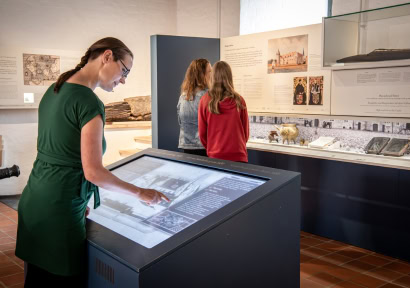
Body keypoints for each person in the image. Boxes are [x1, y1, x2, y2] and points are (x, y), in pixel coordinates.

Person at [15, 37, 169, 287]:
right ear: (107, 56)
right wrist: (141, 193)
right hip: (59, 209)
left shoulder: (55, 90)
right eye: (125, 70)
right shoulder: (88, 101)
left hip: (36, 201)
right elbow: (94, 173)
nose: (124, 80)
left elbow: (60, 154)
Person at [198, 61, 249, 162]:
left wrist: (212, 148)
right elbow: (245, 133)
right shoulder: (239, 100)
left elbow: (202, 134)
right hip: (238, 155)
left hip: (215, 156)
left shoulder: (205, 100)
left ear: (213, 76)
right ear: (229, 77)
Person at [177, 58, 211, 156]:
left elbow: (180, 121)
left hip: (186, 146)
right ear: (202, 75)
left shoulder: (183, 96)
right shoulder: (208, 97)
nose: (211, 75)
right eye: (209, 71)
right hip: (204, 147)